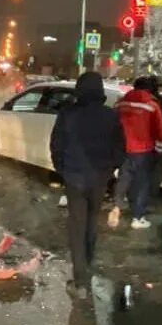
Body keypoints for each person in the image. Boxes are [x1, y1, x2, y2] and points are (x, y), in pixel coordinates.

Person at [49, 72, 126, 301]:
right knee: (92, 221)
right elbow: (120, 149)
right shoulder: (110, 116)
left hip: (74, 177)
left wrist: (63, 169)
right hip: (99, 178)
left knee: (77, 225)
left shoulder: (68, 114)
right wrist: (109, 169)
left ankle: (80, 280)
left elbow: (56, 145)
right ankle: (88, 265)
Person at [110, 76, 162, 230]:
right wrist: (159, 150)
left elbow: (112, 126)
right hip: (143, 150)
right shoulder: (151, 105)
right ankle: (138, 217)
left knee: (124, 178)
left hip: (123, 149)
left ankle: (117, 206)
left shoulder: (120, 104)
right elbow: (160, 130)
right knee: (142, 183)